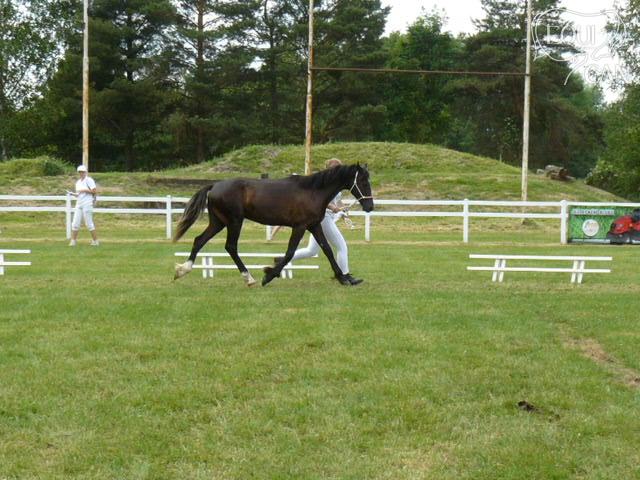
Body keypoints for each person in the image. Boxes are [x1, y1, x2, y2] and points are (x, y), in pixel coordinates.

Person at [283, 158, 363, 285]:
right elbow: (318, 200)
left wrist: (342, 208)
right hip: (323, 217)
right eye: (336, 168)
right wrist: (333, 208)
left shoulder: (336, 184)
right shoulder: (322, 182)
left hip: (327, 217)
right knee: (342, 246)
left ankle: (281, 260)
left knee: (311, 251)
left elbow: (338, 200)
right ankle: (345, 275)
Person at [69, 165, 99, 246]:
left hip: (87, 203)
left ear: (85, 172)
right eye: (80, 172)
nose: (81, 173)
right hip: (79, 203)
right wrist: (73, 194)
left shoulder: (89, 180)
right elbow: (78, 194)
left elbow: (94, 191)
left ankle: (95, 241)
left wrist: (85, 190)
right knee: (75, 223)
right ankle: (73, 241)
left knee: (89, 223)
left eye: (82, 172)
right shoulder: (78, 182)